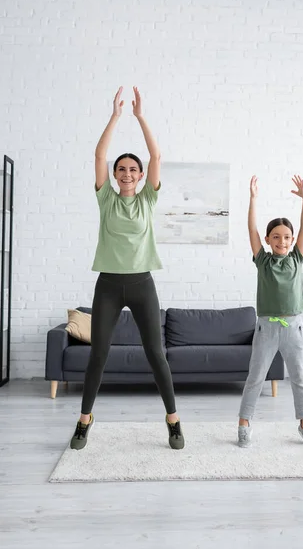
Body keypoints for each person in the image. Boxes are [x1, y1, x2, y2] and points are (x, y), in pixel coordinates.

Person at [70, 86, 184, 451]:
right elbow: (100, 153)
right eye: (123, 169)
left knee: (156, 353)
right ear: (116, 175)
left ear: (140, 175)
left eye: (134, 169)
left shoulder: (149, 198)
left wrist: (140, 115)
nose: (129, 172)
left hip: (141, 283)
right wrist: (117, 115)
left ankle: (173, 421)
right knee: (98, 354)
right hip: (107, 285)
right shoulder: (106, 198)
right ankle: (84, 420)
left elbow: (157, 154)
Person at [237, 174, 303, 449]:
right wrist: (253, 199)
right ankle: (244, 423)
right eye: (276, 237)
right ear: (269, 240)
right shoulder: (263, 261)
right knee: (255, 378)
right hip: (266, 328)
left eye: (286, 237)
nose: (282, 241)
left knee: (298, 379)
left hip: (293, 327)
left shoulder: (297, 257)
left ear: (292, 240)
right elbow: (251, 231)